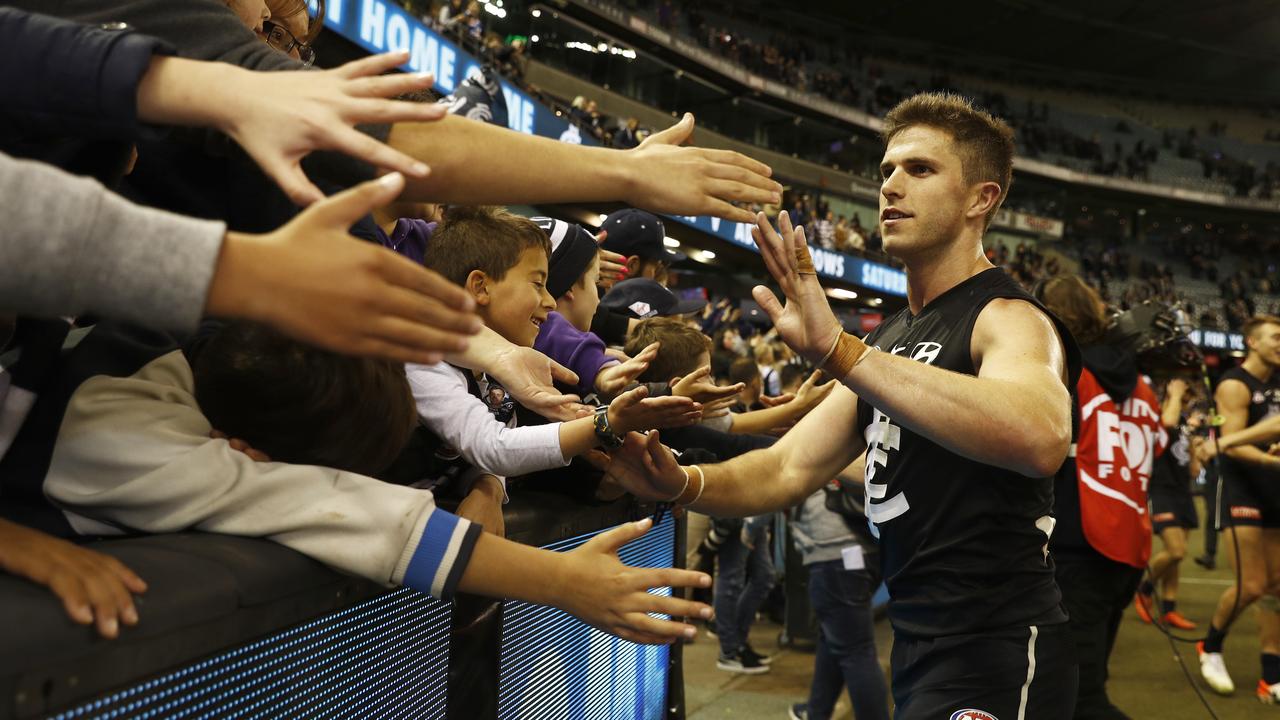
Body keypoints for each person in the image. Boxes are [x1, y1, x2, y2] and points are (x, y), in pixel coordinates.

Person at [604, 92, 1082, 719]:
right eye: (886, 169)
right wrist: (683, 482)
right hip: (920, 643)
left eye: (920, 169)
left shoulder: (1009, 317)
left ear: (981, 199)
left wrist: (837, 350)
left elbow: (1041, 434)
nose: (890, 185)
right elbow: (786, 469)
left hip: (999, 645)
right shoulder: (888, 340)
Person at [40, 321, 714, 646]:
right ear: (249, 450)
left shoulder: (192, 351)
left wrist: (482, 479)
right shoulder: (132, 447)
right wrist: (567, 581)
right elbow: (370, 520)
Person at [403, 206, 700, 488]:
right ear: (481, 287)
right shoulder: (425, 360)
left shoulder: (494, 369)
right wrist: (606, 423)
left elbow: (480, 461)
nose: (549, 301)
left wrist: (489, 486)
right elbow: (494, 447)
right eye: (537, 284)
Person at [1036, 275, 1166, 720]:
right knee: (1087, 679)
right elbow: (1158, 448)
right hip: (1128, 548)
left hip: (1079, 547)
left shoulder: (1067, 377)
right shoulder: (1144, 387)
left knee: (1078, 696)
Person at [1196, 315, 1280, 703]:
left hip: (1273, 491)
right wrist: (1269, 459)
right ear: (1252, 342)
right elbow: (1235, 443)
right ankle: (1210, 647)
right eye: (1275, 337)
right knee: (1251, 585)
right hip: (1241, 489)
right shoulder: (1233, 384)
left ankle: (1271, 674)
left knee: (1277, 588)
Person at [787, 455, 890, 720]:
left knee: (856, 650)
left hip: (834, 555)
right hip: (864, 548)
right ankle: (816, 710)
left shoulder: (813, 440)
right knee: (834, 636)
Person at [1135, 377, 1200, 631]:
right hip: (1161, 490)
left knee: (1176, 559)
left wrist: (1195, 457)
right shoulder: (1160, 414)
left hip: (1182, 490)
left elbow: (1184, 442)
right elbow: (1167, 424)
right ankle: (1143, 589)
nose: (1185, 401)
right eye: (1182, 396)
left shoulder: (1184, 419)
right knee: (1176, 550)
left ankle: (1170, 609)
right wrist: (1173, 393)